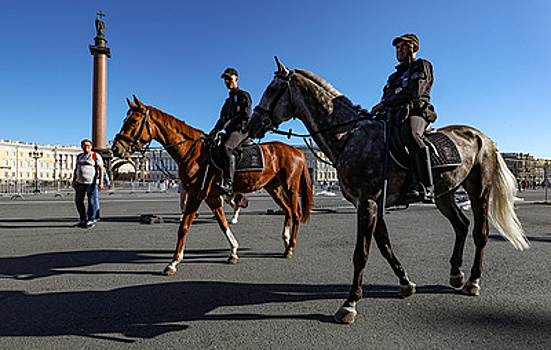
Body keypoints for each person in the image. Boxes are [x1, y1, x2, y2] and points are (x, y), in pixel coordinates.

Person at [370, 33, 437, 202]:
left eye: (403, 47)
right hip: (394, 114)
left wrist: (385, 105)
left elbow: (414, 92)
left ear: (414, 48)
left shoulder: (422, 65)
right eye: (397, 48)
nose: (399, 51)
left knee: (411, 135)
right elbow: (385, 98)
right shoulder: (393, 77)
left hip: (416, 111)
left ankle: (426, 186)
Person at [209, 67, 252, 195]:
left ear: (236, 79)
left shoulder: (244, 95)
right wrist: (214, 131)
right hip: (230, 132)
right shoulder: (227, 102)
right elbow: (221, 119)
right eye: (225, 79)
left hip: (241, 130)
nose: (227, 81)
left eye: (229, 78)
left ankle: (228, 183)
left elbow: (247, 114)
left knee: (227, 147)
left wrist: (231, 121)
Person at [72, 139, 104, 228]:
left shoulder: (95, 155)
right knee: (78, 201)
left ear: (91, 147)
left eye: (88, 145)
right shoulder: (79, 156)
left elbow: (101, 169)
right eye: (84, 145)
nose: (86, 147)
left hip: (92, 183)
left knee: (92, 202)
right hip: (80, 183)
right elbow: (76, 169)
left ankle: (91, 219)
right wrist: (74, 180)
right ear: (81, 146)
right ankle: (83, 219)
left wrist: (101, 182)